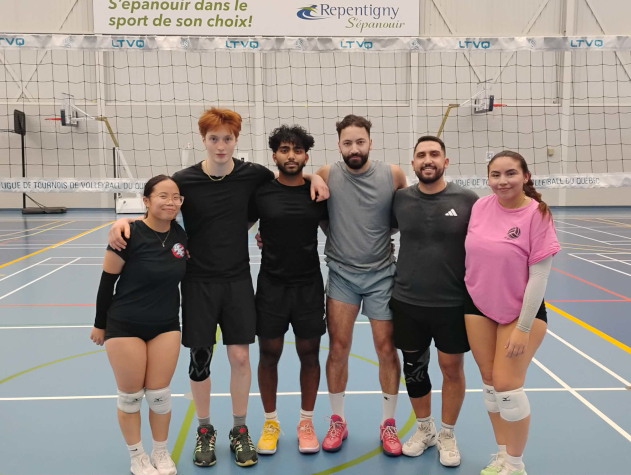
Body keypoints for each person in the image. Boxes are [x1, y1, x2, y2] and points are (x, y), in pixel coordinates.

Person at [107, 108, 329, 467]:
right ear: (204, 140)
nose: (221, 145)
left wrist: (316, 177)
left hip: (238, 279)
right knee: (200, 359)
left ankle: (240, 429)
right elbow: (159, 206)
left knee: (240, 357)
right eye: (214, 138)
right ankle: (205, 429)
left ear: (236, 140)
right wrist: (126, 222)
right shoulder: (185, 180)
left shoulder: (252, 174)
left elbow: (287, 176)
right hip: (198, 281)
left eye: (228, 138)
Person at [314, 115, 408, 456]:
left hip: (382, 274)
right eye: (347, 143)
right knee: (338, 348)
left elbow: (401, 218)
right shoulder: (326, 174)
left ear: (370, 142)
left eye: (360, 141)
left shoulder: (393, 174)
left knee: (386, 349)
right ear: (339, 145)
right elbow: (320, 215)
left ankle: (388, 423)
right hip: (342, 275)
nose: (354, 148)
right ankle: (337, 420)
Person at [464, 151, 561, 475]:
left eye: (510, 174)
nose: (502, 181)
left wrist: (523, 327)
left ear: (525, 176)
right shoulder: (480, 206)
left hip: (520, 311)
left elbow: (540, 276)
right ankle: (503, 453)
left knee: (507, 384)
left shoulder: (537, 214)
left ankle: (516, 465)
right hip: (478, 305)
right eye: (495, 175)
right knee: (490, 382)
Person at [390, 136, 478, 466]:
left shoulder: (467, 200)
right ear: (413, 163)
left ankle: (447, 434)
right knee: (415, 369)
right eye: (421, 155)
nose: (428, 159)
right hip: (407, 300)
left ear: (445, 161)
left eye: (434, 154)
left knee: (451, 368)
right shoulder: (400, 199)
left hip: (452, 303)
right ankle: (425, 429)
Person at [90, 175, 187, 475]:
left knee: (159, 396)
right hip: (125, 325)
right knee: (131, 398)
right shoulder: (127, 235)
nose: (171, 202)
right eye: (162, 196)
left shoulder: (180, 234)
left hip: (166, 325)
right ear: (146, 200)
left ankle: (160, 452)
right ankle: (137, 457)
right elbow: (107, 283)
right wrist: (100, 324)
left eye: (176, 197)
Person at [249, 125, 328, 455]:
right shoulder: (261, 193)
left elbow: (339, 229)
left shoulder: (319, 193)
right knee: (269, 354)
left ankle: (306, 423)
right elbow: (233, 225)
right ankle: (270, 422)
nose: (291, 156)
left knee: (309, 354)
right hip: (272, 286)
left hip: (309, 286)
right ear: (274, 156)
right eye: (284, 150)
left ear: (306, 156)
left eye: (297, 150)